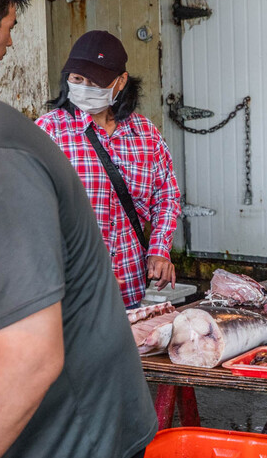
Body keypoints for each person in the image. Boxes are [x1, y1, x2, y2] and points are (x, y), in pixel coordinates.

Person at [0, 0, 156, 458]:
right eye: (12, 26)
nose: (12, 42)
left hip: (69, 439)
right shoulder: (39, 128)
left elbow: (28, 358)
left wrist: (160, 250)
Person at [36, 31, 181, 308]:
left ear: (120, 82)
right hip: (71, 293)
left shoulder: (145, 134)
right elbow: (28, 210)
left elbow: (166, 196)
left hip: (129, 289)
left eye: (95, 82)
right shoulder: (49, 131)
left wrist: (159, 250)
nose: (85, 87)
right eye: (77, 79)